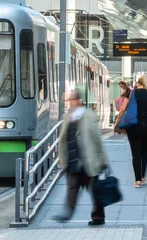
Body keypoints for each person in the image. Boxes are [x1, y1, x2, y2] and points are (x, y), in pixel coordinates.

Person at [56, 90, 109, 226]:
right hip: (72, 160)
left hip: (88, 161)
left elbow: (97, 139)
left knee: (94, 190)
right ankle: (67, 212)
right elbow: (63, 139)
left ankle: (98, 217)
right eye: (69, 101)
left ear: (79, 100)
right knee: (72, 188)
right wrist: (62, 158)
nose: (70, 104)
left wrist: (103, 160)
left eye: (72, 100)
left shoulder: (89, 115)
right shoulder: (67, 116)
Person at [115, 76, 147, 188]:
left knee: (135, 152)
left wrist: (117, 121)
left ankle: (137, 180)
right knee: (144, 151)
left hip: (134, 126)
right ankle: (142, 176)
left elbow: (123, 109)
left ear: (138, 83)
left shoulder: (132, 93)